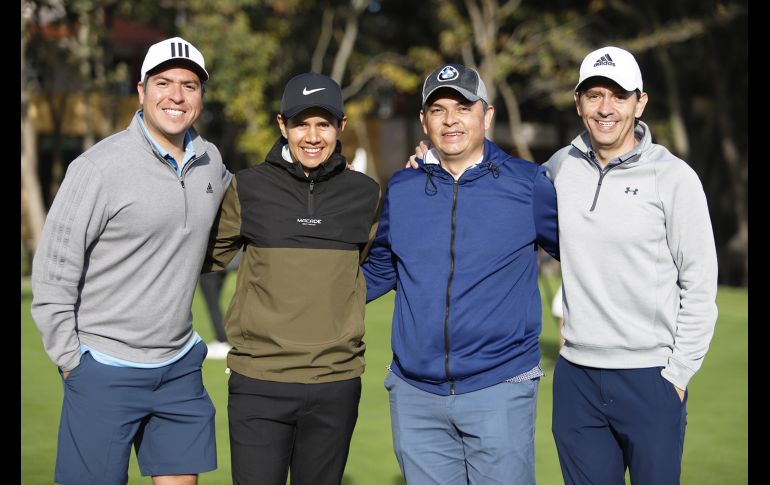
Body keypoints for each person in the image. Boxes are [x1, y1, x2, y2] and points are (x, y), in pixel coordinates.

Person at [30, 37, 230, 485]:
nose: (176, 95)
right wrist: (72, 362)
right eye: (163, 82)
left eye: (189, 85)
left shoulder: (211, 162)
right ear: (141, 91)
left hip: (179, 367)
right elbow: (52, 272)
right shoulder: (97, 168)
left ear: (200, 96)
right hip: (104, 368)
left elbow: (258, 203)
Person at [362, 64, 558, 485]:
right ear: (423, 120)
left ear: (486, 115)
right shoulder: (403, 187)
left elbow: (581, 257)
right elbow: (381, 267)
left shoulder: (529, 184)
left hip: (500, 386)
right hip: (416, 396)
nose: (450, 119)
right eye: (438, 109)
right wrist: (306, 297)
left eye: (463, 107)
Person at [544, 46, 718, 484]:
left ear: (640, 102)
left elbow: (699, 285)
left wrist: (677, 377)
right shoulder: (559, 167)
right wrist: (432, 163)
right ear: (578, 102)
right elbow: (500, 196)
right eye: (594, 95)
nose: (606, 108)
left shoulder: (674, 178)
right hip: (577, 377)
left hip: (650, 378)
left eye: (619, 96)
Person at [202, 72, 380, 485]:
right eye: (301, 123)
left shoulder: (366, 193)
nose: (312, 136)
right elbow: (203, 257)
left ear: (341, 127)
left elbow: (378, 264)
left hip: (336, 383)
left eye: (324, 124)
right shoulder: (246, 188)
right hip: (258, 382)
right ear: (282, 125)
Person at [198, 251, 240, 359]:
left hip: (212, 264)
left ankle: (222, 340)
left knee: (212, 303)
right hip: (226, 261)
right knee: (215, 301)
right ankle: (223, 339)